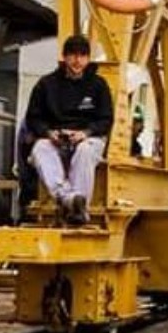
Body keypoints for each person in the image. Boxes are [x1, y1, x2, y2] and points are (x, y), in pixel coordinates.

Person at [24, 35, 113, 226]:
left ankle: (78, 209)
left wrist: (85, 133)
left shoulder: (99, 85)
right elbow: (33, 117)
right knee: (40, 149)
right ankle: (69, 198)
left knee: (85, 151)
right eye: (72, 55)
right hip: (56, 137)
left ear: (88, 59)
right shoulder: (46, 84)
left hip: (89, 138)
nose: (77, 61)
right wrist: (49, 133)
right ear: (64, 57)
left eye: (82, 55)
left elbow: (106, 119)